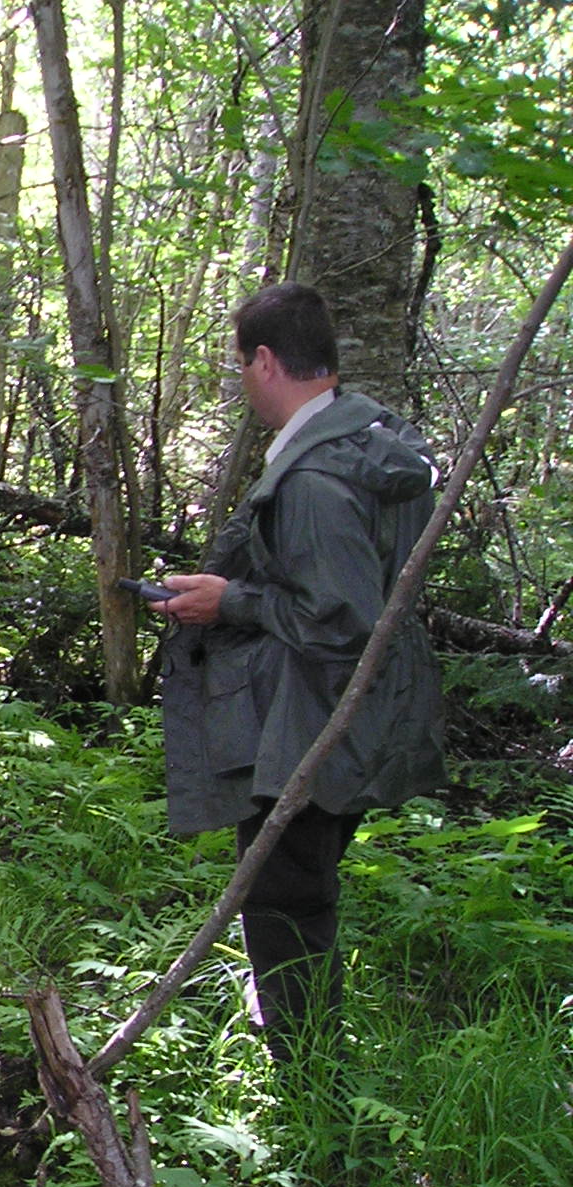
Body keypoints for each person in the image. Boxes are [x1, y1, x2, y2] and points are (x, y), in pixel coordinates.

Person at [151, 283, 445, 1058]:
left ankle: (308, 1072)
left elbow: (342, 618)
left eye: (241, 363)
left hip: (317, 715)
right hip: (357, 706)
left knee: (284, 892)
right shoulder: (371, 438)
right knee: (297, 882)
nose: (242, 379)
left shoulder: (316, 478)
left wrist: (229, 602)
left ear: (269, 360)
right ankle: (299, 1045)